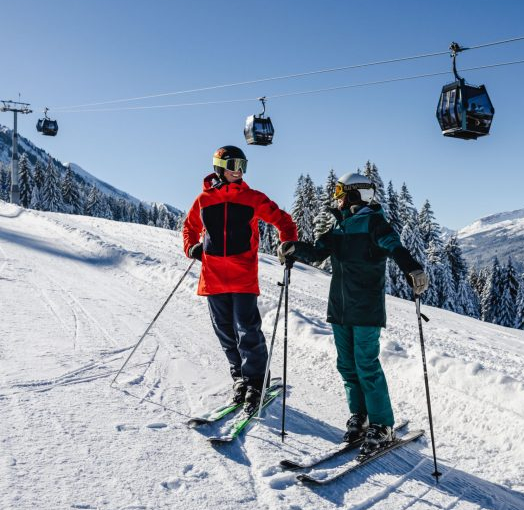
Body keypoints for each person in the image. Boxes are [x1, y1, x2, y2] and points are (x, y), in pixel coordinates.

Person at [277, 172, 428, 453]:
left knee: (366, 365)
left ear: (357, 194)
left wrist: (412, 268)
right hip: (339, 308)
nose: (337, 197)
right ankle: (360, 416)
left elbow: (395, 248)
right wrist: (293, 248)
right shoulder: (339, 228)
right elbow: (316, 253)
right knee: (346, 365)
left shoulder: (374, 223)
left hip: (366, 308)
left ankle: (382, 424)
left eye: (341, 191)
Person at [183, 145, 297, 414]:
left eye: (243, 166)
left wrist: (288, 244)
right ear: (219, 168)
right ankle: (240, 379)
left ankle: (257, 382)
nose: (239, 172)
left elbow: (284, 221)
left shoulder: (252, 198)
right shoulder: (203, 200)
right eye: (234, 166)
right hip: (212, 277)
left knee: (247, 331)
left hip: (243, 275)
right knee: (224, 332)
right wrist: (191, 248)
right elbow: (189, 228)